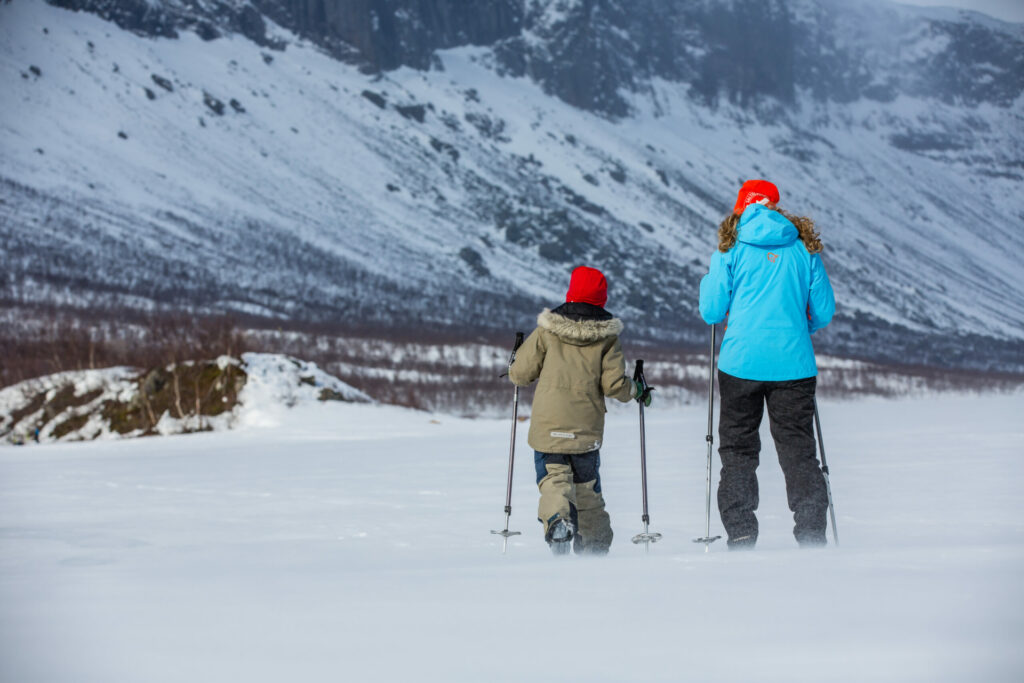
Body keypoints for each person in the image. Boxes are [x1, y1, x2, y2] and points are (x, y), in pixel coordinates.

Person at [699, 179, 835, 549]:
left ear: (741, 207)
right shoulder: (805, 249)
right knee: (798, 451)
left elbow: (712, 311)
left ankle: (741, 533)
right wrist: (797, 327)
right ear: (775, 206)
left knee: (739, 451)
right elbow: (823, 312)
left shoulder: (729, 249)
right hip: (794, 366)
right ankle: (811, 535)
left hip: (740, 363)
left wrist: (709, 281)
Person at [509, 266, 649, 555]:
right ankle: (595, 546)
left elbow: (520, 374)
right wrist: (637, 390)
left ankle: (558, 520)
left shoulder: (547, 330)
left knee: (554, 481)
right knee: (587, 492)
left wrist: (515, 359)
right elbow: (614, 386)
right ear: (602, 298)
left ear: (570, 293)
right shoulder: (607, 338)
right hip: (585, 432)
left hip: (548, 429)